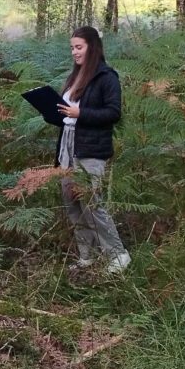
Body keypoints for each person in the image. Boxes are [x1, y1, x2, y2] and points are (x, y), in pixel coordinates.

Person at [52, 26, 130, 274]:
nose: (74, 52)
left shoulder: (107, 77)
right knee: (72, 202)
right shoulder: (75, 77)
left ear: (92, 47)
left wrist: (80, 113)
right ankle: (87, 254)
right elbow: (67, 113)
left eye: (79, 47)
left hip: (90, 148)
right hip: (68, 144)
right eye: (72, 48)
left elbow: (113, 113)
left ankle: (118, 254)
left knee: (91, 202)